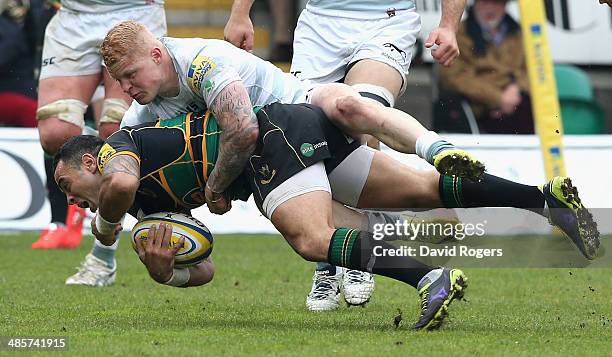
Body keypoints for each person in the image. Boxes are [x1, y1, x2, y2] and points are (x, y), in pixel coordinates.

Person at [53, 99, 599, 330]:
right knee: (424, 190)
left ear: (88, 159)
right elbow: (208, 269)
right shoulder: (147, 209)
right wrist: (164, 271)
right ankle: (545, 200)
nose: (71, 198)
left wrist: (104, 230)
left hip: (271, 140)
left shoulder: (120, 146)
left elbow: (118, 184)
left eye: (67, 184)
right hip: (297, 128)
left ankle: (430, 276)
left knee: (314, 240)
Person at [224, 0, 466, 310]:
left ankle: (354, 255)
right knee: (307, 135)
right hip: (320, 24)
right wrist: (240, 11)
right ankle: (331, 258)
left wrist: (448, 25)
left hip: (386, 19)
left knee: (361, 116)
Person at [31, 0, 167, 287]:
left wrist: (240, 12)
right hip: (74, 15)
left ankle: (102, 257)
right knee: (56, 133)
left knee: (116, 132)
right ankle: (87, 195)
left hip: (134, 11)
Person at [436, 0, 534, 134]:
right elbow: (454, 78)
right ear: (475, 3)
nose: (490, 8)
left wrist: (516, 89)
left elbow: (533, 70)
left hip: (516, 105)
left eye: (496, 3)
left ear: (505, 5)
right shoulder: (458, 34)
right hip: (477, 109)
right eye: (485, 2)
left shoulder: (519, 34)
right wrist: (498, 98)